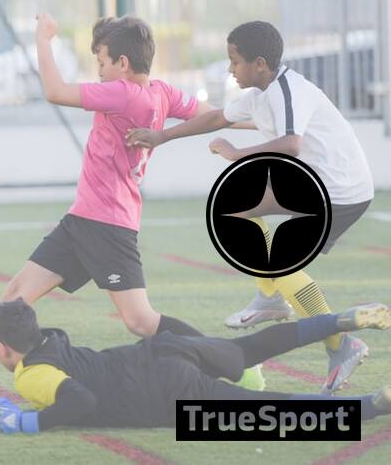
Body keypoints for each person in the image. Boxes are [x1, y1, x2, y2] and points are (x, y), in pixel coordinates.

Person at [0, 13, 262, 411]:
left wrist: (43, 39)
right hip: (83, 220)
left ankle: (235, 363)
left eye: (102, 62)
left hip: (107, 225)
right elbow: (211, 113)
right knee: (15, 298)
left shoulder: (123, 93)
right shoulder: (161, 92)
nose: (99, 71)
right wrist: (258, 121)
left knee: (141, 321)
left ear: (123, 63)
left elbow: (55, 91)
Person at [126, 21, 375, 394]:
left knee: (279, 261)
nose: (230, 69)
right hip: (319, 181)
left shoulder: (289, 90)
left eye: (235, 61)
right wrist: (162, 136)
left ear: (259, 64)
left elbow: (291, 144)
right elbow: (217, 117)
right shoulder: (260, 93)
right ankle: (271, 297)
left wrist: (237, 153)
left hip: (340, 190)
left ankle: (340, 343)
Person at [0, 299, 390, 434]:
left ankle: (374, 404)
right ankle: (339, 320)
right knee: (250, 347)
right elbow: (24, 325)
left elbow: (80, 401)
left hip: (161, 389)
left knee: (262, 412)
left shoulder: (31, 375)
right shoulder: (51, 337)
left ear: (1, 347)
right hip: (165, 348)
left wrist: (29, 422)